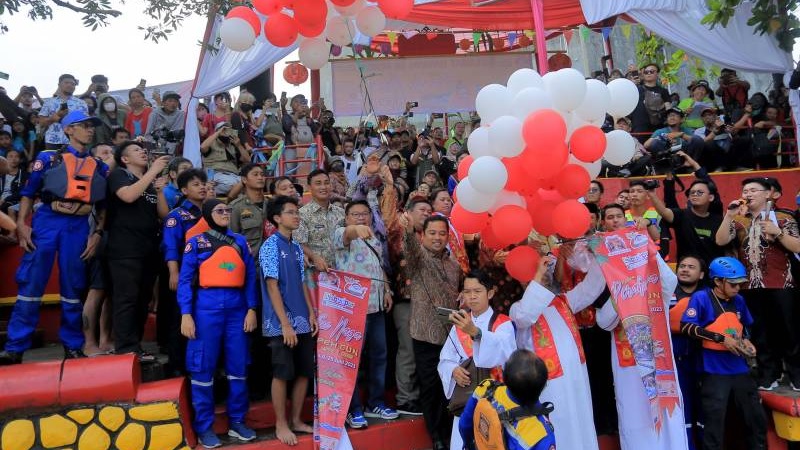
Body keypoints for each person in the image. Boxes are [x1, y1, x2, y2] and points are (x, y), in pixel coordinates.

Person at [0, 111, 108, 365]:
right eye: (83, 126)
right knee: (31, 285)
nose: (90, 130)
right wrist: (21, 226)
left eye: (92, 126)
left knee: (73, 287)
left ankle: (72, 346)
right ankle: (15, 348)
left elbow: (103, 206)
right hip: (47, 222)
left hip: (79, 226)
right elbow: (28, 192)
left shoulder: (99, 165)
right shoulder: (48, 158)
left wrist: (97, 234)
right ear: (69, 130)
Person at [595, 203, 688, 450]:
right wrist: (621, 290)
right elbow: (603, 322)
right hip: (628, 367)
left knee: (669, 417)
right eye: (609, 218)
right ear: (603, 223)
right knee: (634, 416)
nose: (614, 220)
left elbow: (670, 280)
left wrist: (644, 243)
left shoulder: (656, 285)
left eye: (619, 217)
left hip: (659, 360)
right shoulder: (608, 274)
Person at [179, 199, 259, 448]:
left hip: (237, 309)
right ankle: (204, 428)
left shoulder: (240, 241)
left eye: (227, 210)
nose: (225, 214)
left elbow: (250, 278)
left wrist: (252, 309)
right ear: (207, 214)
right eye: (219, 210)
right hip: (206, 308)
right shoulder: (196, 242)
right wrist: (186, 314)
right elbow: (185, 281)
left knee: (238, 367)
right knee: (202, 367)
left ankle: (237, 422)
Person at [510, 251, 606, 450]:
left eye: (546, 275)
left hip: (576, 379)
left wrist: (601, 252)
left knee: (580, 423)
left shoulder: (564, 301)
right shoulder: (517, 309)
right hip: (549, 384)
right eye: (537, 276)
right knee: (559, 427)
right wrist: (536, 275)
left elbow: (592, 287)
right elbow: (526, 315)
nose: (544, 277)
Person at [715, 177, 800, 390]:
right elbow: (720, 240)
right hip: (749, 286)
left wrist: (778, 232)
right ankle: (768, 374)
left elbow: (797, 246)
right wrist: (728, 215)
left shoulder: (783, 217)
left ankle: (796, 374)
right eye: (745, 190)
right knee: (760, 333)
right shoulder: (739, 220)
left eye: (754, 190)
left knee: (789, 331)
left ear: (767, 194)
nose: (748, 194)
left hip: (781, 284)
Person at [680, 257, 766, 450]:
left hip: (739, 368)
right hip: (714, 370)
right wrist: (720, 338)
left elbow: (745, 327)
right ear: (718, 281)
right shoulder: (701, 298)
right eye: (733, 284)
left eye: (740, 284)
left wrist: (747, 341)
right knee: (714, 424)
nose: (737, 288)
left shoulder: (740, 300)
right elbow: (686, 327)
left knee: (755, 418)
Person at [334, 200, 398, 429]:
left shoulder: (374, 238)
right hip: (351, 310)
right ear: (347, 217)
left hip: (376, 306)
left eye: (365, 214)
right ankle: (353, 409)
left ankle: (376, 402)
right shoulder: (341, 235)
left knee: (379, 357)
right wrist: (355, 229)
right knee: (351, 361)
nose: (361, 218)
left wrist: (387, 289)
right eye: (355, 214)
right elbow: (349, 233)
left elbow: (378, 266)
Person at [260, 195, 318, 446]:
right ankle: (280, 424)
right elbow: (272, 287)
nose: (296, 216)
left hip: (302, 319)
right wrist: (285, 324)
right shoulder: (270, 246)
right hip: (279, 322)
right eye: (291, 212)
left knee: (305, 372)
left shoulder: (296, 247)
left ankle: (295, 419)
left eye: (297, 212)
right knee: (282, 373)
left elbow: (302, 282)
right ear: (276, 218)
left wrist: (311, 312)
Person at [401, 213, 462, 450]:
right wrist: (407, 231)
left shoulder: (454, 264)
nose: (437, 238)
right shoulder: (419, 258)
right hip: (425, 334)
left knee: (450, 384)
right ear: (423, 235)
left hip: (452, 335)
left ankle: (449, 432)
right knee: (431, 386)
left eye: (442, 233)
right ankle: (435, 436)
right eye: (432, 233)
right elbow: (410, 249)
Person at [438, 270, 517, 450]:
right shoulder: (459, 325)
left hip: (497, 400)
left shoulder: (503, 323)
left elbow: (505, 353)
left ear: (490, 293)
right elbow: (445, 359)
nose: (471, 297)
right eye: (467, 291)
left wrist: (476, 333)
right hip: (467, 399)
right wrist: (453, 370)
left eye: (477, 291)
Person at [107, 142, 170, 361]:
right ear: (124, 159)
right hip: (125, 248)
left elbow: (163, 214)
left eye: (143, 150)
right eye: (136, 150)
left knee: (144, 299)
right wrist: (152, 171)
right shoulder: (118, 176)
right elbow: (128, 196)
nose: (143, 152)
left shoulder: (149, 183)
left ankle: (137, 346)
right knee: (127, 298)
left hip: (149, 247)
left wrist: (160, 191)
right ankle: (125, 348)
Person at [160, 168, 210, 374]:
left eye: (203, 184)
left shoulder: (211, 212)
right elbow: (170, 246)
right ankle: (177, 367)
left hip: (208, 276)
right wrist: (174, 273)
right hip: (185, 275)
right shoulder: (177, 215)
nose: (202, 188)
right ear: (184, 190)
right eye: (196, 184)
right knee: (180, 319)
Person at [459, 350, 556, 450]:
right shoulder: (541, 436)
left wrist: (469, 445)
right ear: (544, 385)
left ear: (503, 374)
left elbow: (464, 424)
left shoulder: (486, 388)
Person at [669, 255, 706, 449]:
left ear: (701, 274)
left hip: (703, 360)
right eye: (682, 266)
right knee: (681, 409)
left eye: (691, 267)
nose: (684, 269)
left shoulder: (709, 296)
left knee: (703, 409)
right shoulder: (666, 293)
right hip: (674, 362)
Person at [648, 174, 725, 263]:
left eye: (700, 192)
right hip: (687, 271)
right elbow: (664, 212)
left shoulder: (719, 220)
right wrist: (652, 195)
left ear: (711, 197)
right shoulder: (681, 215)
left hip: (712, 272)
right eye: (692, 192)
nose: (695, 194)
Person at [295, 169, 345, 272]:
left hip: (342, 271)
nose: (323, 187)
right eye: (318, 183)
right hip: (317, 274)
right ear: (309, 187)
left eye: (326, 183)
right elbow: (299, 243)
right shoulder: (302, 214)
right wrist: (314, 257)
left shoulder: (341, 212)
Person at [38, 74, 89, 149]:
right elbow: (41, 123)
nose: (70, 85)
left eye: (73, 84)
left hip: (75, 141)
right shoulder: (49, 102)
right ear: (59, 84)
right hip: (53, 141)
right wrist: (54, 118)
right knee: (53, 161)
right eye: (66, 82)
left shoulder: (81, 103)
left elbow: (86, 123)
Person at [200, 121, 251, 197]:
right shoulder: (211, 143)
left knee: (249, 183)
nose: (226, 131)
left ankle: (231, 197)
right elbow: (203, 147)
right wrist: (218, 132)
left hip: (234, 175)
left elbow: (248, 160)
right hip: (217, 174)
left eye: (228, 129)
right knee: (233, 184)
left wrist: (239, 145)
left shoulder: (233, 145)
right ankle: (231, 196)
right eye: (224, 129)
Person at [229, 163, 267, 253]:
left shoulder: (270, 204)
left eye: (262, 174)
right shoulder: (236, 207)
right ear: (244, 180)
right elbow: (231, 239)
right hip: (249, 261)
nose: (260, 177)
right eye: (255, 174)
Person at [629, 63, 672, 138]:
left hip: (657, 127)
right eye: (646, 72)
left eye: (651, 71)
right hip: (639, 127)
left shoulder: (663, 91)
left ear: (657, 74)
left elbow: (668, 108)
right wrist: (631, 85)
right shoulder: (636, 89)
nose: (648, 73)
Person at [145, 91, 186, 155]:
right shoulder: (154, 114)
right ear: (163, 103)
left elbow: (174, 136)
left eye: (176, 101)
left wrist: (168, 154)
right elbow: (148, 134)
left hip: (171, 150)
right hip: (155, 148)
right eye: (170, 101)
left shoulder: (181, 114)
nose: (173, 103)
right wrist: (157, 147)